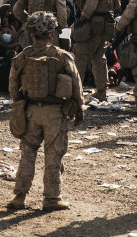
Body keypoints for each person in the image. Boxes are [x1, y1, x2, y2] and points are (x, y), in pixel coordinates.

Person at [6, 11, 84, 212]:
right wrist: (80, 108)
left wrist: (19, 106)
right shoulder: (62, 56)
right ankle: (51, 199)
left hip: (31, 112)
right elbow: (77, 85)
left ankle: (19, 196)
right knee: (53, 156)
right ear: (52, 33)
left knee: (27, 154)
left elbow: (13, 85)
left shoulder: (23, 57)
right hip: (55, 115)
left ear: (31, 34)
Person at [72, 0, 121, 101]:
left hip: (92, 25)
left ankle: (76, 93)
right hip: (104, 26)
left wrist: (82, 18)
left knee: (80, 57)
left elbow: (92, 1)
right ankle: (101, 91)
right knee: (99, 58)